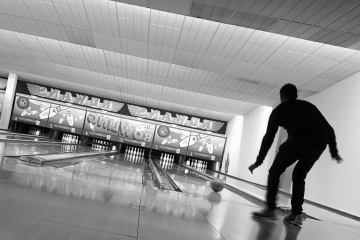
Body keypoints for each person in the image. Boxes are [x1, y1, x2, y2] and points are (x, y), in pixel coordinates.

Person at [248, 83, 343, 226]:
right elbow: (329, 129)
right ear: (296, 95)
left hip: (299, 141)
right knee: (299, 175)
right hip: (318, 144)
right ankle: (296, 214)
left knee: (275, 172)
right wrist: (334, 152)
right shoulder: (308, 106)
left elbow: (269, 137)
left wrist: (258, 161)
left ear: (282, 97)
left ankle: (270, 209)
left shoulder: (279, 111)